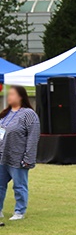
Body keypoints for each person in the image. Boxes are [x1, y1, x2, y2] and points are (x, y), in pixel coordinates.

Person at [0, 85, 40, 223]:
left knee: (19, 184)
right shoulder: (6, 114)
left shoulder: (28, 114)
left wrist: (28, 158)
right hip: (2, 156)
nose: (9, 97)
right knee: (0, 184)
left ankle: (19, 210)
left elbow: (33, 137)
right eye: (8, 94)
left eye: (12, 94)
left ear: (21, 96)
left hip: (18, 156)